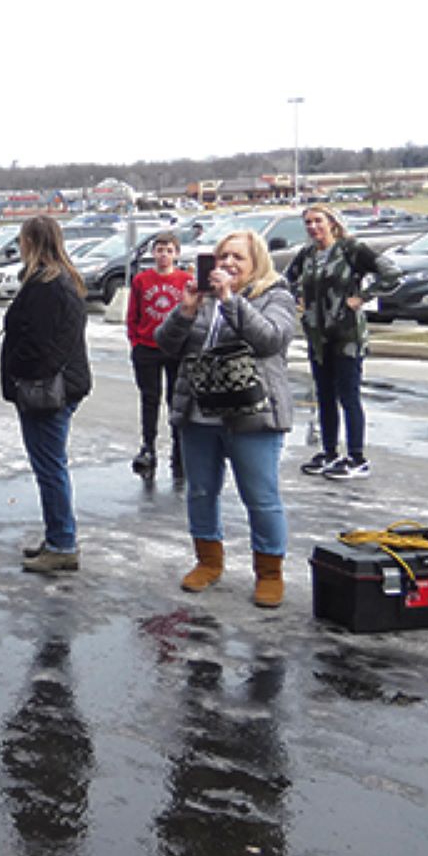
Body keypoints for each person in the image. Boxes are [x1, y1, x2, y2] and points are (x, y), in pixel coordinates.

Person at [156, 230, 297, 608]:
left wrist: (231, 301)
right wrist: (185, 310)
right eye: (223, 258)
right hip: (199, 414)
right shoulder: (200, 297)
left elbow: (271, 340)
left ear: (257, 263)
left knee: (260, 497)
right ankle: (207, 561)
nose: (228, 265)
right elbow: (165, 343)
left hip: (253, 414)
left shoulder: (276, 295)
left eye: (238, 258)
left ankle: (269, 572)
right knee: (201, 491)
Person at [0, 216, 91, 574]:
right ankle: (57, 535)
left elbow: (41, 346)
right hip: (61, 385)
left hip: (47, 391)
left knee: (50, 468)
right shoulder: (62, 280)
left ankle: (62, 542)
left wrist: (19, 371)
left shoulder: (46, 286)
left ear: (31, 242)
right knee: (51, 466)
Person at [282, 204, 400, 481]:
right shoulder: (307, 255)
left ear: (332, 223)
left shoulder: (351, 249)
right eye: (308, 223)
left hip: (347, 335)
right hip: (317, 335)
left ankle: (357, 456)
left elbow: (392, 273)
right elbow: (286, 279)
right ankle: (329, 451)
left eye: (318, 221)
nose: (313, 227)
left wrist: (364, 296)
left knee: (348, 396)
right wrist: (297, 296)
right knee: (324, 396)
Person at [126, 230, 193, 478]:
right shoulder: (142, 280)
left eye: (169, 250)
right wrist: (135, 340)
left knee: (176, 400)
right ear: (153, 253)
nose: (164, 255)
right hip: (147, 347)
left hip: (176, 349)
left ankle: (179, 448)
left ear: (176, 254)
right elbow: (133, 314)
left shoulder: (185, 279)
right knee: (149, 398)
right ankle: (148, 446)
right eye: (159, 250)